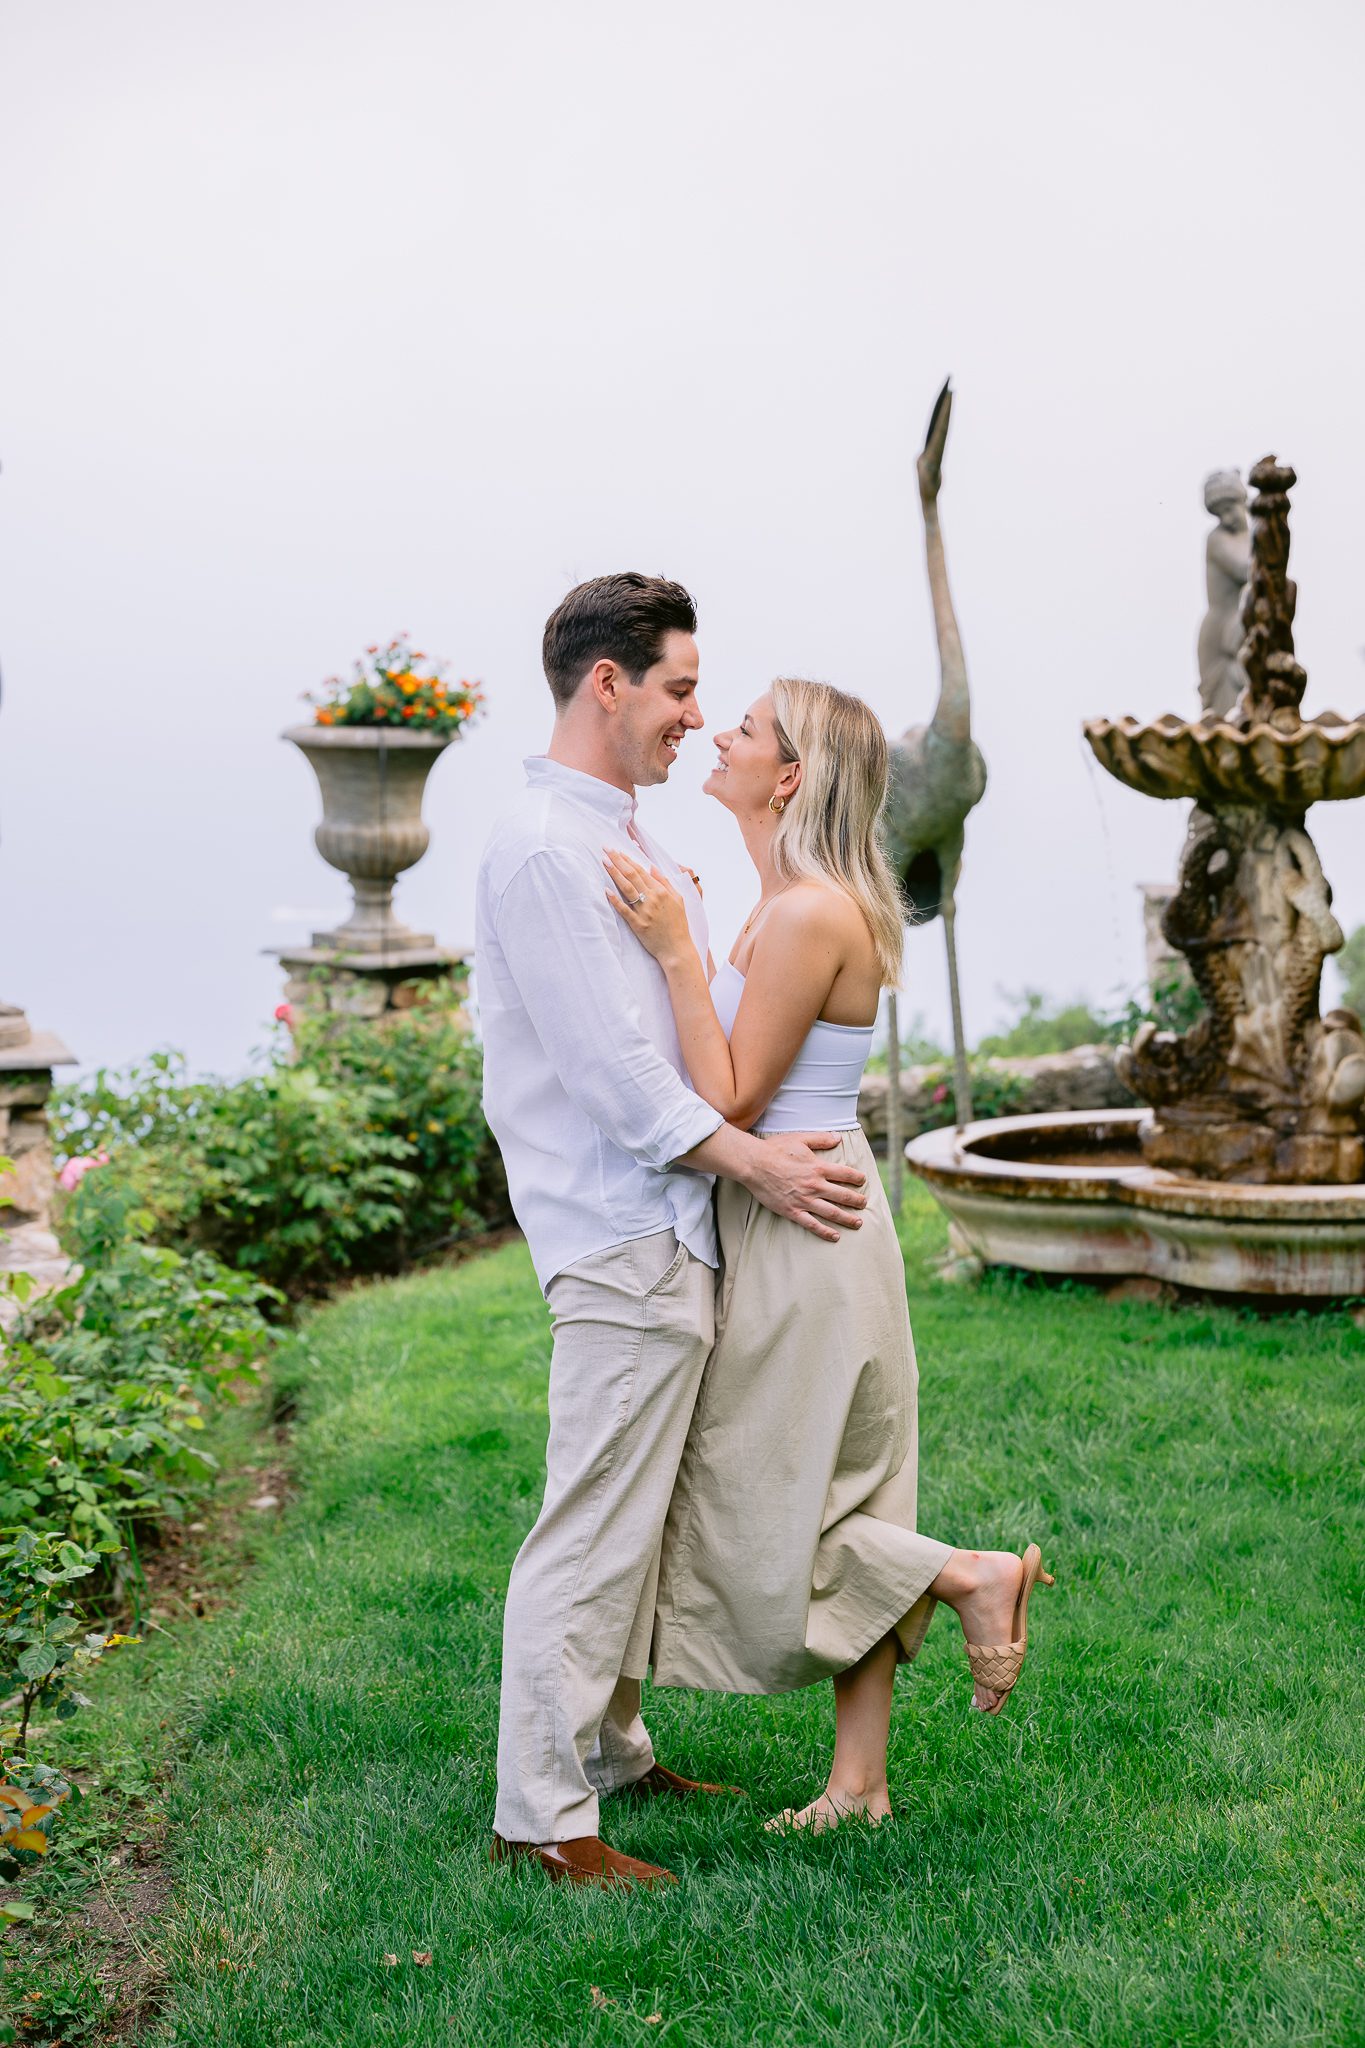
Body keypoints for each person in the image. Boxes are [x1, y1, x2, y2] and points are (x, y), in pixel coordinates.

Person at [602, 676, 1054, 1832]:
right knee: (822, 1483)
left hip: (807, 1225)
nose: (718, 732)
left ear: (791, 774)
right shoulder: (783, 901)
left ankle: (965, 1578)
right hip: (792, 1211)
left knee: (793, 1484)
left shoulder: (808, 914)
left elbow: (733, 1093)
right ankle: (861, 1782)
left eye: (746, 727)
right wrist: (696, 937)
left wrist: (674, 956)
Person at [477, 575, 870, 1890]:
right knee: (589, 1522)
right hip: (617, 1230)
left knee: (638, 1519)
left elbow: (674, 1037)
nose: (695, 720)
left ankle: (615, 1752)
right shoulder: (545, 846)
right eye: (681, 689)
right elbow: (613, 1080)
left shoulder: (615, 840)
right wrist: (751, 1162)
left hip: (667, 1229)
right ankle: (543, 1820)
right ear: (608, 683)